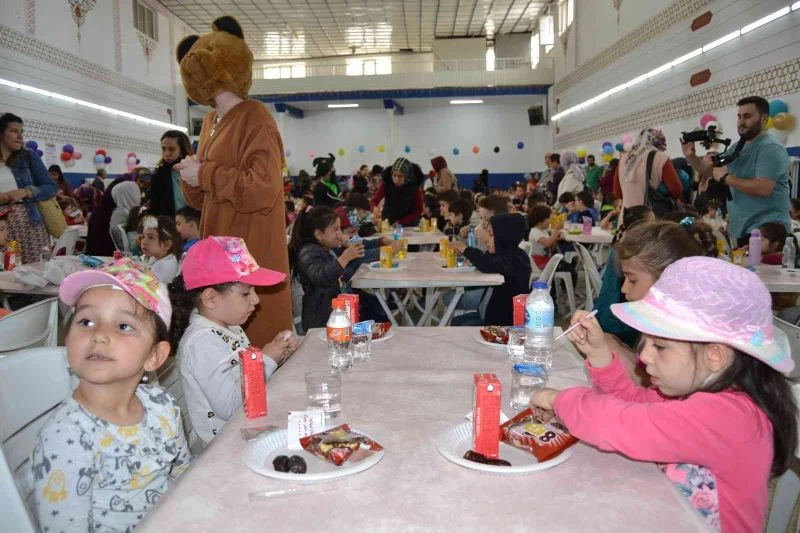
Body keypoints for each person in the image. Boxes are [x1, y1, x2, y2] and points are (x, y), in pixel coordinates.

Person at [533, 256, 797, 532]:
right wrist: (599, 353)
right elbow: (635, 403)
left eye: (659, 346)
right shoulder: (696, 391)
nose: (643, 355)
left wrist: (559, 399)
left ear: (715, 355)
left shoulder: (730, 416)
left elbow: (626, 424)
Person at [32, 259, 191, 532]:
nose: (100, 335)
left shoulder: (161, 406)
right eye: (86, 321)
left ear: (154, 356)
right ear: (67, 339)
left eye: (123, 326)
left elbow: (185, 475)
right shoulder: (67, 437)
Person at [175, 16, 293, 347]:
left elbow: (264, 188)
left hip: (250, 252)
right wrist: (193, 177)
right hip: (220, 254)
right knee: (225, 351)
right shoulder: (211, 121)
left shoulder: (255, 116)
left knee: (259, 347)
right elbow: (204, 199)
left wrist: (205, 173)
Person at [169, 237, 297, 446]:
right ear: (210, 298)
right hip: (223, 448)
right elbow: (230, 408)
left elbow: (242, 378)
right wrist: (266, 359)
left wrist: (277, 355)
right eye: (246, 292)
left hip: (244, 431)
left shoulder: (229, 327)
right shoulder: (202, 343)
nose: (256, 300)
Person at [593, 220, 704, 379]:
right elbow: (641, 368)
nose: (624, 289)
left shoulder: (677, 337)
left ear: (667, 280)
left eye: (632, 280)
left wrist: (606, 348)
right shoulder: (654, 322)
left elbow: (651, 387)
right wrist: (608, 343)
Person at [682, 96, 791, 245]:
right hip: (742, 229)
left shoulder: (770, 147)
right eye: (739, 116)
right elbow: (708, 172)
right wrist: (691, 156)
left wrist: (726, 178)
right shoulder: (737, 147)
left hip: (767, 234)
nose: (741, 121)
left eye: (747, 116)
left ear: (764, 119)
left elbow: (764, 188)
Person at [289, 206, 366, 331]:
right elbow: (320, 276)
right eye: (336, 229)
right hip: (319, 320)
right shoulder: (308, 252)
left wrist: (347, 248)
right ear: (319, 234)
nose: (340, 234)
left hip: (331, 313)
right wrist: (344, 258)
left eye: (340, 229)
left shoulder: (325, 248)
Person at [450, 213, 531, 325]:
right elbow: (486, 260)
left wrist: (466, 249)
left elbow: (486, 264)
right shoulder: (502, 254)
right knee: (456, 322)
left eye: (491, 235)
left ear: (505, 237)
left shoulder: (516, 259)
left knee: (464, 325)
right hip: (488, 315)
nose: (486, 239)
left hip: (504, 324)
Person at [0, 113, 57, 263]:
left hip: (28, 223)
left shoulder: (28, 157)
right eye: (13, 131)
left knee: (33, 270)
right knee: (5, 271)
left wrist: (25, 191)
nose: (19, 136)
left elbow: (51, 187)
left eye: (21, 132)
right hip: (2, 228)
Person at [614, 127, 683, 211]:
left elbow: (617, 193)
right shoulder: (661, 158)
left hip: (627, 217)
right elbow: (676, 189)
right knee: (690, 220)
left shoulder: (624, 158)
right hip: (650, 217)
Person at [149, 130, 194, 217]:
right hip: (169, 225)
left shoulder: (194, 172)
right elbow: (154, 207)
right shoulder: (158, 175)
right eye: (163, 149)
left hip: (194, 224)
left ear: (182, 150)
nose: (166, 154)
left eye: (171, 149)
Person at [370, 158, 424, 227]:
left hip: (408, 223)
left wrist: (401, 222)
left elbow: (419, 210)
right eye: (394, 175)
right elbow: (374, 200)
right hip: (388, 220)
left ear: (407, 176)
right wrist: (374, 208)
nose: (396, 179)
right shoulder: (387, 183)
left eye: (400, 176)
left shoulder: (414, 186)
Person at [139, 215, 181, 283]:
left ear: (166, 245)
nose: (144, 242)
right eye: (143, 236)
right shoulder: (160, 257)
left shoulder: (163, 266)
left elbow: (146, 290)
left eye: (150, 237)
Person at [527, 204, 562, 270]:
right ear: (540, 221)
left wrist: (555, 239)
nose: (550, 220)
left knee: (568, 267)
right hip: (537, 262)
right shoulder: (535, 232)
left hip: (546, 259)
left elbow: (551, 247)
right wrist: (556, 230)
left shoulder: (544, 231)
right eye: (548, 218)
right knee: (567, 268)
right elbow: (547, 243)